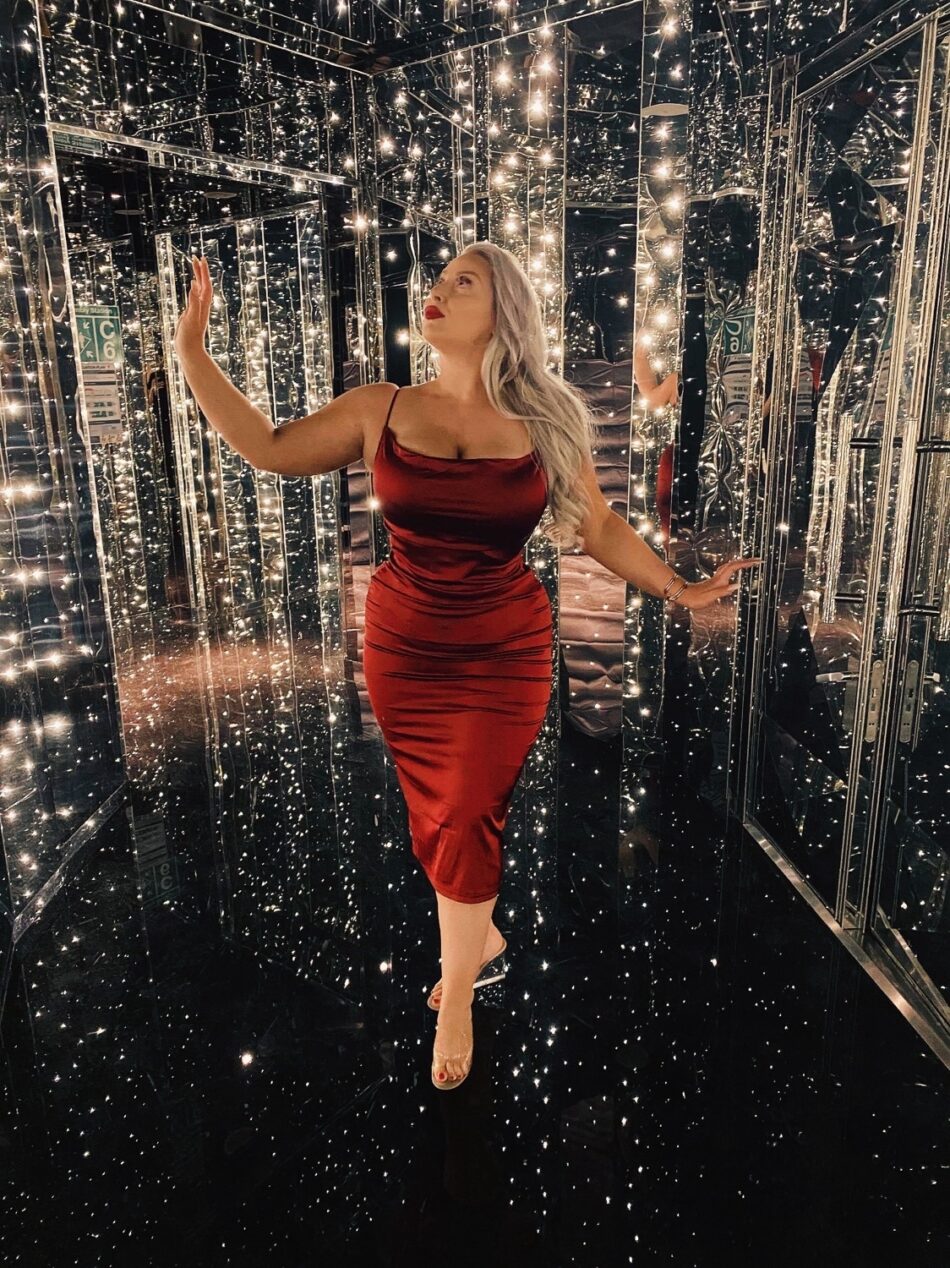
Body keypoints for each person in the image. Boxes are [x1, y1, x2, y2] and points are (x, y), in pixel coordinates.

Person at [173, 244, 760, 1092]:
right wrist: (193, 351)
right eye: (437, 280)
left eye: (463, 282)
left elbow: (597, 527)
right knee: (434, 813)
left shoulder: (542, 421)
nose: (437, 291)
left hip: (504, 647)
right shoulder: (382, 407)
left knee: (468, 807)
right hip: (404, 647)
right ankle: (476, 936)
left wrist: (683, 587)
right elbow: (265, 445)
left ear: (504, 311)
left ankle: (458, 1001)